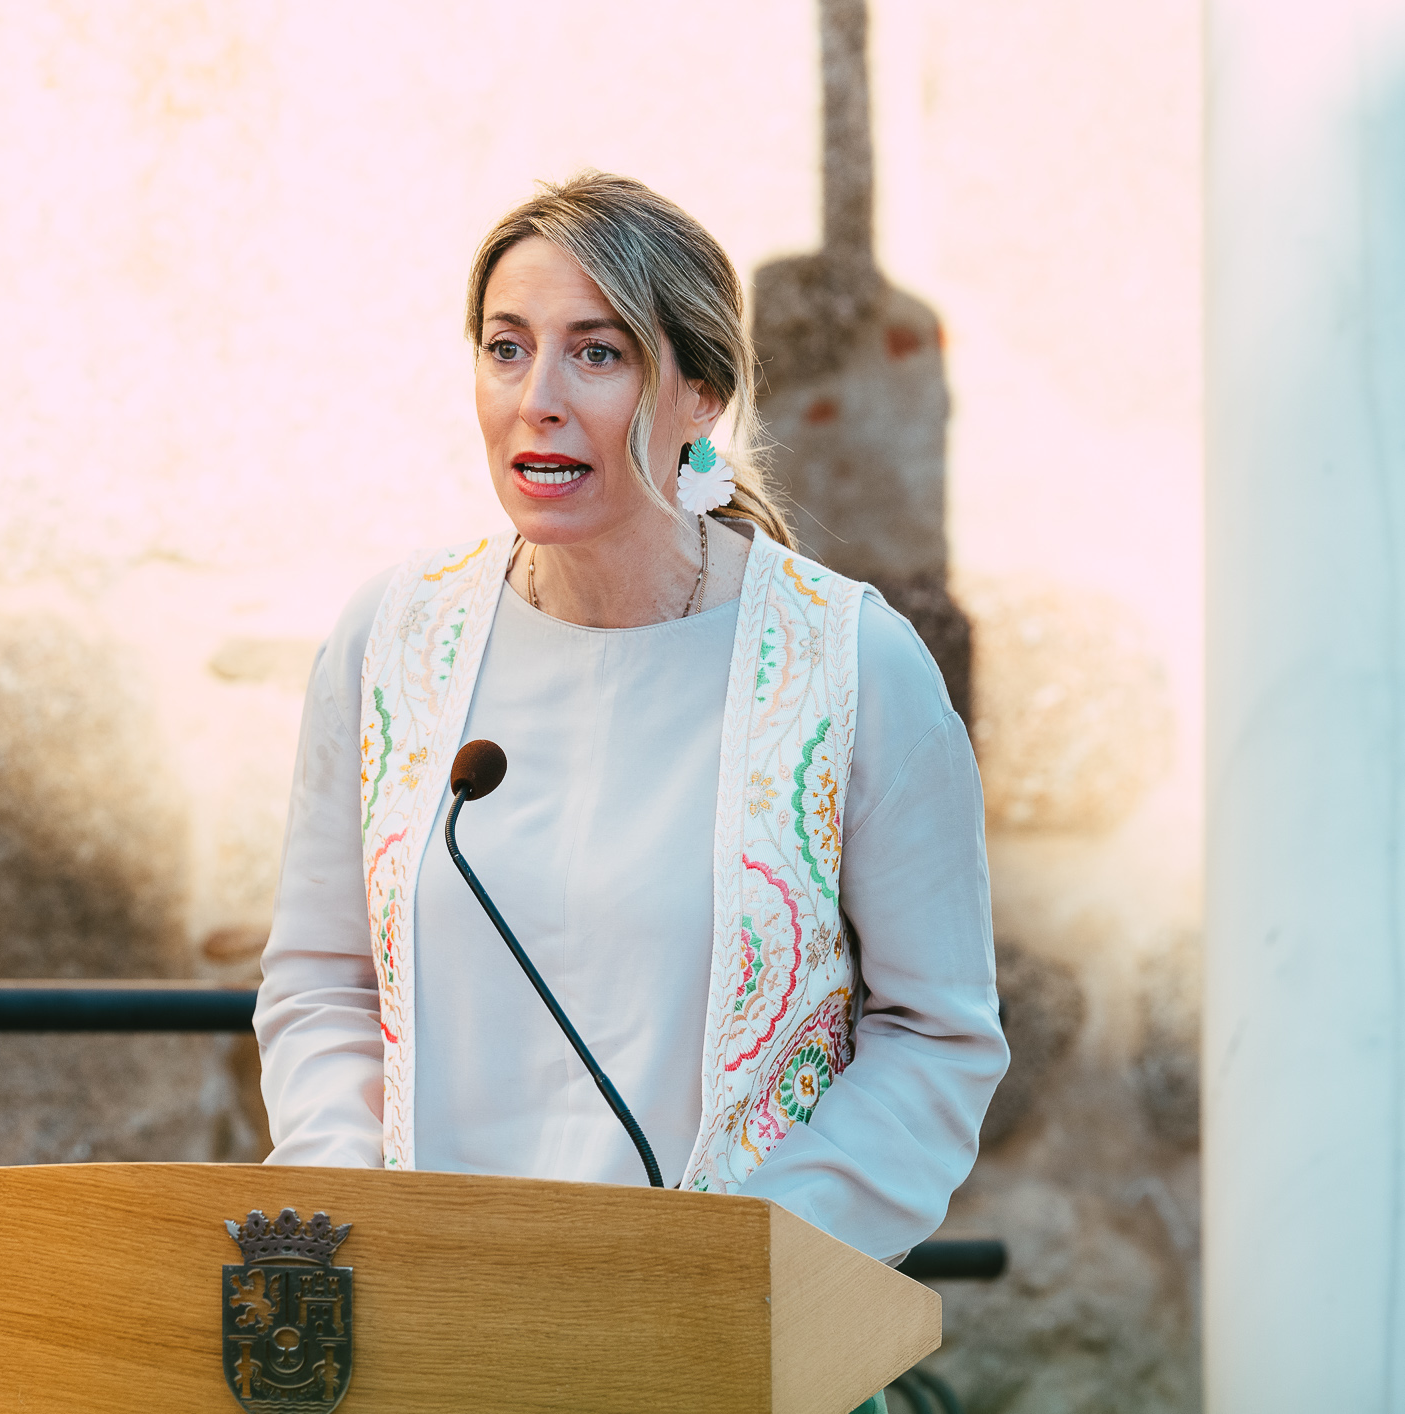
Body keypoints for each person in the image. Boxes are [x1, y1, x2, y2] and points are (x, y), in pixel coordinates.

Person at [252, 172, 1007, 1410]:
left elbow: (938, 1032)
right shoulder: (392, 639)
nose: (537, 400)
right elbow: (322, 977)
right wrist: (355, 1228)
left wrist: (739, 1269)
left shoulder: (849, 664)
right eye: (507, 348)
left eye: (595, 353)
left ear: (699, 394)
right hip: (431, 1350)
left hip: (720, 1358)